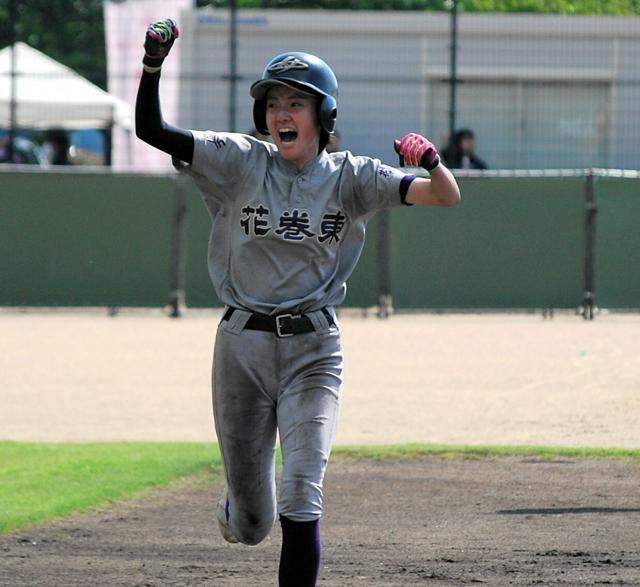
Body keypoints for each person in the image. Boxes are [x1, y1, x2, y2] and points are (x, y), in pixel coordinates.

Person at [135, 18, 460, 587]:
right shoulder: (239, 160)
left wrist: (431, 160)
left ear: (324, 117)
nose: (282, 114)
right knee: (256, 523)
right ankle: (238, 509)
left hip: (315, 350)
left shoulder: (352, 177)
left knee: (302, 493)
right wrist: (153, 65)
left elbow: (445, 196)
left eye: (297, 103)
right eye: (274, 102)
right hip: (242, 349)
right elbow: (151, 130)